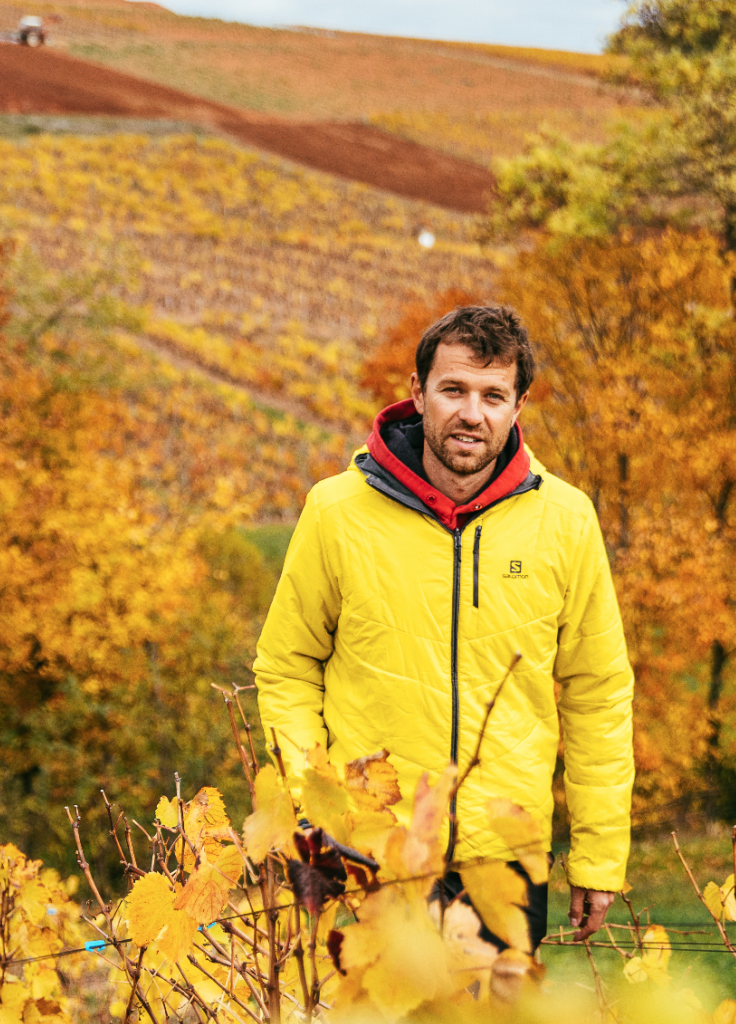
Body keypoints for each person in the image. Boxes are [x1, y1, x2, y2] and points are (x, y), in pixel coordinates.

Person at [253, 304, 633, 949]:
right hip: (367, 851)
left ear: (519, 406)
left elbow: (597, 692)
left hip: (504, 862)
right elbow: (287, 667)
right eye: (453, 389)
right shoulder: (337, 512)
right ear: (418, 393)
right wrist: (314, 811)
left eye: (493, 395)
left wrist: (598, 857)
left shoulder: (566, 521)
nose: (471, 413)